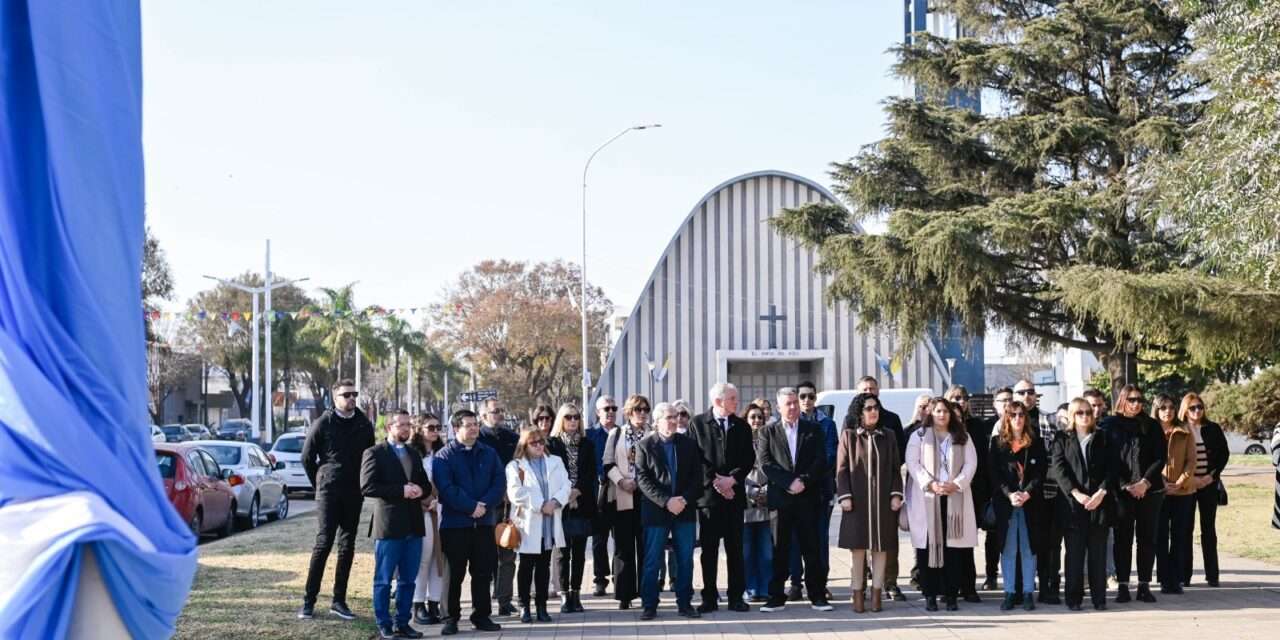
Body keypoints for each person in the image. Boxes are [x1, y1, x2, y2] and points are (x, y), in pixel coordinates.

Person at [299, 379, 377, 621]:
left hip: (354, 492)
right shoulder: (324, 422)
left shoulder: (364, 423)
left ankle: (339, 601)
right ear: (335, 398)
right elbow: (307, 457)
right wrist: (320, 482)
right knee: (324, 543)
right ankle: (308, 602)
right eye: (346, 395)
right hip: (329, 491)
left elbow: (369, 458)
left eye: (354, 394)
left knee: (347, 546)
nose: (351, 398)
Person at [757, 387, 833, 612]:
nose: (792, 407)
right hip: (781, 500)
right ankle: (776, 596)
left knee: (812, 548)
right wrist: (789, 482)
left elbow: (821, 460)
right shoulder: (767, 432)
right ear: (778, 407)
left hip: (808, 498)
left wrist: (804, 481)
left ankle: (817, 595)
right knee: (780, 548)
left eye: (794, 403)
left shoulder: (814, 429)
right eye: (787, 404)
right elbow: (766, 463)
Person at [433, 409, 505, 636]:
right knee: (454, 574)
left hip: (484, 523)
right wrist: (471, 507)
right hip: (455, 525)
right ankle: (450, 618)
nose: (474, 428)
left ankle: (481, 616)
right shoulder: (444, 456)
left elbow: (499, 482)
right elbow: (446, 488)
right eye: (468, 425)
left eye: (475, 424)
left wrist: (484, 505)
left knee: (482, 572)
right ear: (456, 429)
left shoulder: (489, 453)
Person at [361, 410, 432, 639]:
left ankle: (403, 622)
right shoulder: (374, 453)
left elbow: (424, 485)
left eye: (408, 425)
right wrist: (401, 491)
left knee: (408, 579)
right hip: (389, 525)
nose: (405, 428)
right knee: (383, 579)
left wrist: (422, 490)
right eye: (400, 425)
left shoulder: (413, 452)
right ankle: (384, 623)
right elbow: (368, 486)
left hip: (414, 523)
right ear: (389, 427)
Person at [906, 397, 978, 612]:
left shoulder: (962, 437)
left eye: (945, 411)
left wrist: (956, 484)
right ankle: (930, 594)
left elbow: (971, 463)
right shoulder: (918, 436)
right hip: (928, 498)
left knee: (953, 550)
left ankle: (951, 594)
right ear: (930, 412)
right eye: (937, 411)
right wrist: (930, 484)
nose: (941, 415)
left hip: (954, 497)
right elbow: (912, 463)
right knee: (928, 548)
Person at [634, 402, 705, 620]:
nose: (673, 421)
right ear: (656, 422)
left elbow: (697, 477)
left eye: (675, 417)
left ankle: (684, 603)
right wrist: (666, 501)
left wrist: (682, 499)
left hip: (684, 510)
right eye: (668, 417)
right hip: (656, 512)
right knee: (652, 560)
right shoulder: (644, 445)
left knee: (685, 558)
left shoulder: (689, 444)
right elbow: (643, 480)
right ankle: (649, 604)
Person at [688, 382, 755, 613]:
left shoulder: (742, 426)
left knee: (735, 549)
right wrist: (717, 482)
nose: (737, 402)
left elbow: (748, 459)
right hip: (709, 499)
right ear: (718, 401)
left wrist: (732, 480)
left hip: (734, 497)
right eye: (733, 398)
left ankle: (736, 596)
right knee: (709, 550)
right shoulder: (697, 424)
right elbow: (695, 458)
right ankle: (709, 597)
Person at [835, 393, 903, 613]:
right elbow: (842, 470)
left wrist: (896, 494)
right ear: (859, 412)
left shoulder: (889, 436)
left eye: (875, 407)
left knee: (881, 548)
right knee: (858, 549)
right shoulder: (849, 436)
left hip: (883, 502)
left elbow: (895, 468)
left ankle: (877, 595)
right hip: (857, 503)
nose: (873, 411)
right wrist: (845, 496)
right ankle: (857, 594)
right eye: (868, 408)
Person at [1101, 384, 1166, 604]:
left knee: (1147, 539)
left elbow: (1160, 457)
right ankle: (1122, 586)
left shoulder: (1151, 425)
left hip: (1150, 489)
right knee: (1123, 540)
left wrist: (1144, 482)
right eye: (1132, 400)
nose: (1137, 404)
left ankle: (1144, 585)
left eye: (1140, 400)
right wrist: (1125, 485)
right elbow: (1107, 459)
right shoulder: (1109, 425)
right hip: (1122, 491)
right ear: (1122, 400)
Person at [1051, 398, 1117, 611]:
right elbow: (1059, 469)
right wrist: (1076, 493)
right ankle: (1074, 598)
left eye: (1088, 412)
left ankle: (1099, 599)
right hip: (1073, 505)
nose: (1085, 416)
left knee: (1097, 554)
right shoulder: (1062, 438)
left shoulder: (1103, 437)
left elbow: (1112, 468)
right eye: (1080, 412)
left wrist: (1102, 492)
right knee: (1075, 554)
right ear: (1072, 415)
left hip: (1099, 502)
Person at [505, 427, 570, 623]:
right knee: (526, 566)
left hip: (549, 523)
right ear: (525, 445)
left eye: (542, 442)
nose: (539, 446)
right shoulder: (515, 466)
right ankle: (524, 606)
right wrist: (541, 505)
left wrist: (555, 502)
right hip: (529, 523)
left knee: (543, 566)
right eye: (534, 443)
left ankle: (541, 606)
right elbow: (515, 493)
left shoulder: (555, 462)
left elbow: (566, 485)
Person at [854, 376, 908, 602]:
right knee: (860, 543)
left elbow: (899, 455)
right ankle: (862, 587)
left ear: (879, 391)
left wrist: (894, 489)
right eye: (865, 390)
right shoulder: (851, 420)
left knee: (888, 540)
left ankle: (890, 583)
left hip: (885, 490)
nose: (870, 392)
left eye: (873, 389)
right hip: (861, 491)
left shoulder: (891, 420)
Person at [988, 400, 1046, 611]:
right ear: (1006, 418)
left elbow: (1041, 472)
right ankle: (1010, 592)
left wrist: (1028, 492)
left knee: (1029, 548)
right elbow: (994, 474)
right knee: (1009, 549)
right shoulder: (997, 443)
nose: (1018, 419)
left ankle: (1029, 592)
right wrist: (1009, 494)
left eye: (1021, 415)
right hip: (1007, 504)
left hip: (1030, 504)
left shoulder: (1035, 442)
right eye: (1013, 415)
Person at [787, 381, 838, 603]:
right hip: (795, 491)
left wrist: (807, 477)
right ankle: (796, 584)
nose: (807, 401)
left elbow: (829, 455)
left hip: (819, 490)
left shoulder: (826, 423)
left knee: (819, 540)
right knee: (795, 538)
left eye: (811, 396)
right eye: (803, 396)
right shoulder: (791, 423)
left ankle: (819, 583)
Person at [546, 403, 597, 613]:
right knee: (561, 552)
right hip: (561, 503)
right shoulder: (552, 444)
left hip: (582, 502)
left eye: (576, 417)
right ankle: (564, 594)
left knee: (579, 552)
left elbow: (591, 473)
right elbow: (550, 474)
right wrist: (566, 493)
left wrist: (577, 491)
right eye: (568, 417)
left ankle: (576, 593)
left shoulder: (587, 444)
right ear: (561, 420)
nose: (573, 421)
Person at [602, 394, 650, 609]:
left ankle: (647, 591)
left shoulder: (653, 433)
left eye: (645, 410)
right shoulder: (617, 433)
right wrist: (621, 481)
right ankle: (624, 594)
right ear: (629, 412)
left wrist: (642, 482)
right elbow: (608, 462)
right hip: (623, 496)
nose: (641, 414)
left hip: (648, 497)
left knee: (646, 547)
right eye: (637, 410)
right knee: (623, 547)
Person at [1179, 392, 1228, 587]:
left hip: (1208, 484)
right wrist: (1190, 479)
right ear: (1185, 409)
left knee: (1209, 529)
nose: (1197, 411)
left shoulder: (1212, 428)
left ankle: (1212, 574)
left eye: (1200, 407)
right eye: (1192, 408)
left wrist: (1210, 477)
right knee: (1185, 529)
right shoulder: (1180, 429)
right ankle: (1185, 575)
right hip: (1188, 485)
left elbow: (1223, 454)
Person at [476, 399, 520, 617]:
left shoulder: (512, 438)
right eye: (495, 412)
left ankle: (504, 599)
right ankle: (482, 603)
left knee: (508, 553)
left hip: (508, 505)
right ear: (483, 415)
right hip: (485, 505)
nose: (500, 415)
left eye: (501, 410)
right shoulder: (478, 439)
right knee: (485, 555)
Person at [945, 384, 987, 603]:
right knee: (948, 543)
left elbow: (979, 461)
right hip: (945, 493)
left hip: (972, 491)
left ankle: (969, 587)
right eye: (955, 398)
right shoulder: (937, 432)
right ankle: (949, 588)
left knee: (966, 542)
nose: (960, 401)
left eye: (963, 397)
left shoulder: (977, 427)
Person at [1153, 394, 1196, 595]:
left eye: (1171, 407)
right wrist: (1162, 483)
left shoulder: (1185, 430)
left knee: (1180, 537)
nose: (1167, 411)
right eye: (1163, 408)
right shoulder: (1150, 431)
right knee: (1160, 537)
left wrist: (1179, 483)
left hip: (1183, 492)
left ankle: (1176, 579)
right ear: (1156, 410)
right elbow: (1148, 461)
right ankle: (1163, 577)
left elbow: (1191, 461)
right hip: (1158, 492)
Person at [409, 415, 446, 626]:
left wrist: (438, 499)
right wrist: (425, 500)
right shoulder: (413, 454)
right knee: (423, 557)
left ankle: (435, 603)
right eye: (430, 427)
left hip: (441, 510)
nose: (435, 431)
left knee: (439, 560)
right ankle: (418, 604)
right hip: (421, 511)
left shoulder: (443, 453)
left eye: (437, 427)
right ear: (419, 429)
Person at [585, 395, 619, 597]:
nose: (611, 412)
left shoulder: (622, 432)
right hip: (598, 494)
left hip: (621, 491)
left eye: (614, 408)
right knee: (599, 540)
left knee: (620, 540)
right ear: (598, 412)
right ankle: (600, 579)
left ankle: (619, 577)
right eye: (606, 408)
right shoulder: (589, 435)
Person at [742, 402, 774, 602]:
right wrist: (751, 490)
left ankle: (766, 588)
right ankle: (751, 588)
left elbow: (777, 466)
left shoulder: (771, 440)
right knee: (746, 552)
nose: (756, 421)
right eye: (752, 417)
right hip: (745, 503)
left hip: (767, 503)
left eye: (760, 417)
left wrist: (767, 490)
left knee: (766, 552)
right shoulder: (740, 440)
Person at [983, 387, 1013, 593]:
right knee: (993, 535)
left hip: (1015, 489)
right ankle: (991, 575)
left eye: (1010, 400)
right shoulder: (984, 427)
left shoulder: (1021, 424)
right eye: (1002, 401)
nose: (1006, 404)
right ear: (994, 404)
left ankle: (1016, 577)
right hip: (989, 487)